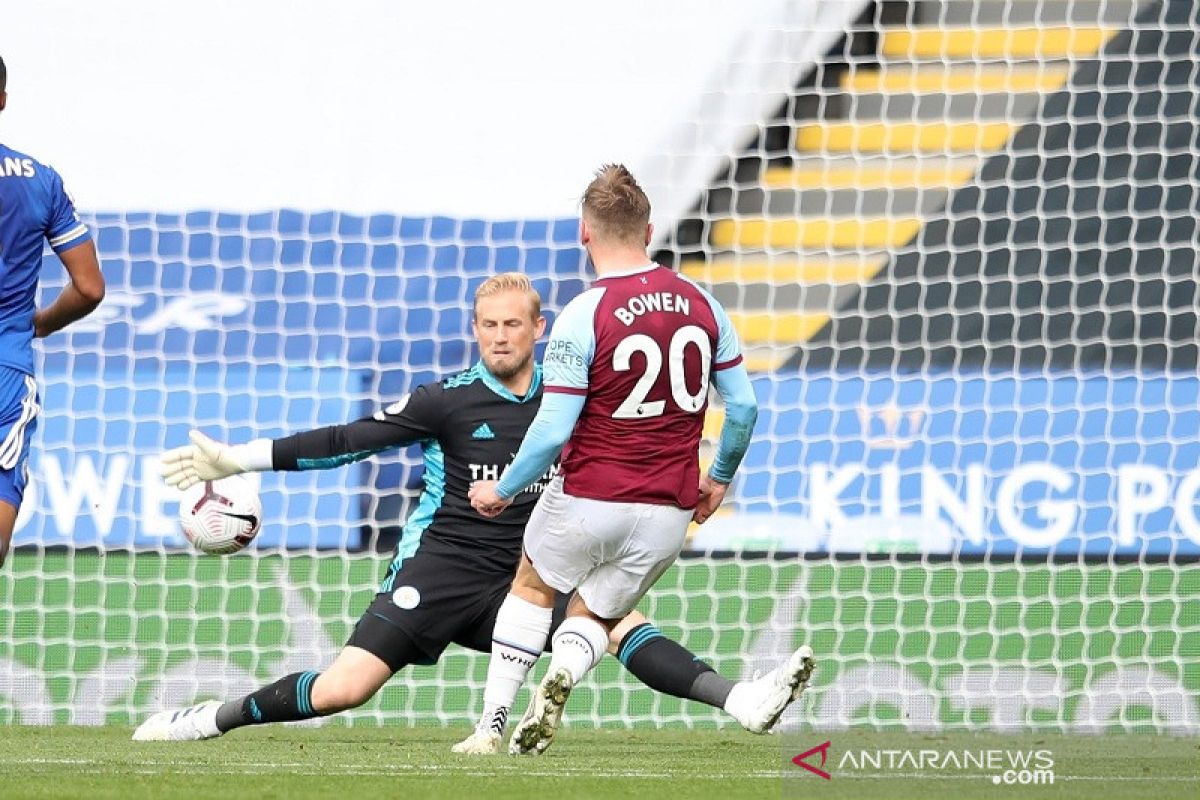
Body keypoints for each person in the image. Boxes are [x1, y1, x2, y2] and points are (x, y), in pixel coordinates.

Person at [132, 273, 810, 744]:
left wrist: (707, 474)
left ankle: (742, 699)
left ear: (541, 328)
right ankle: (207, 719)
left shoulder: (574, 397)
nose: (500, 336)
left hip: (530, 572)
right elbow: (346, 442)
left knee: (616, 622)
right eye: (488, 325)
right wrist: (239, 459)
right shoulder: (445, 400)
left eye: (514, 323)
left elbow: (651, 435)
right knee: (342, 689)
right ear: (475, 330)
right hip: (439, 570)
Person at [466, 165, 813, 756]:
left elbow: (552, 430)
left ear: (585, 233)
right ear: (649, 229)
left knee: (531, 583)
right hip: (667, 511)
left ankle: (488, 730)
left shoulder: (586, 310)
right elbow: (746, 409)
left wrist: (504, 488)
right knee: (595, 614)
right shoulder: (702, 304)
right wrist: (718, 479)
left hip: (589, 496)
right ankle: (563, 676)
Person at [0, 55, 106, 569]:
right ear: (2, 98)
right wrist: (38, 322)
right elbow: (88, 288)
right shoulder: (40, 180)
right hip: (6, 367)